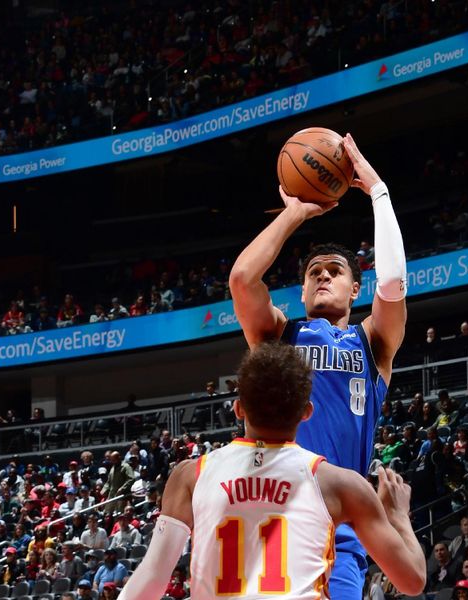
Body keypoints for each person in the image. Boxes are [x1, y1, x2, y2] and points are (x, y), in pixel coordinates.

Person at [228, 134, 408, 598]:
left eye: (335, 270)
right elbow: (243, 280)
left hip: (339, 528)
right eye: (313, 273)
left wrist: (379, 192)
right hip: (270, 517)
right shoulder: (280, 335)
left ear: (354, 290)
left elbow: (392, 283)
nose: (323, 275)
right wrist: (293, 213)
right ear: (303, 293)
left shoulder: (373, 343)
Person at [118, 342, 426, 599]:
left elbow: (151, 582)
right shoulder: (340, 484)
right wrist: (398, 516)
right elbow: (412, 580)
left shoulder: (191, 475)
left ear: (238, 408)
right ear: (307, 412)